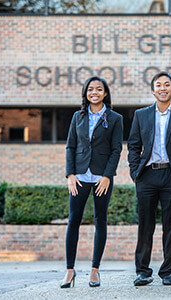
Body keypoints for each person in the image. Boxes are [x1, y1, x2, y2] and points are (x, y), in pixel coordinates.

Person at [128, 71, 171, 286]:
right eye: (159, 85)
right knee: (145, 225)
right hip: (147, 175)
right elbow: (133, 145)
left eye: (167, 85)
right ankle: (142, 271)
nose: (163, 88)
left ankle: (168, 271)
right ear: (153, 90)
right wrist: (134, 171)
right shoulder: (141, 115)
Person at [61, 76, 123, 288]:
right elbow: (70, 146)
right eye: (90, 89)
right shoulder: (77, 117)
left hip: (101, 178)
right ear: (85, 93)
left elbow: (116, 150)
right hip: (79, 176)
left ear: (105, 93)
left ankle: (95, 270)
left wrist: (107, 176)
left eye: (99, 89)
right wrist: (70, 175)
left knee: (100, 220)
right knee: (73, 220)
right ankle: (70, 270)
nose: (94, 92)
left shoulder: (115, 118)